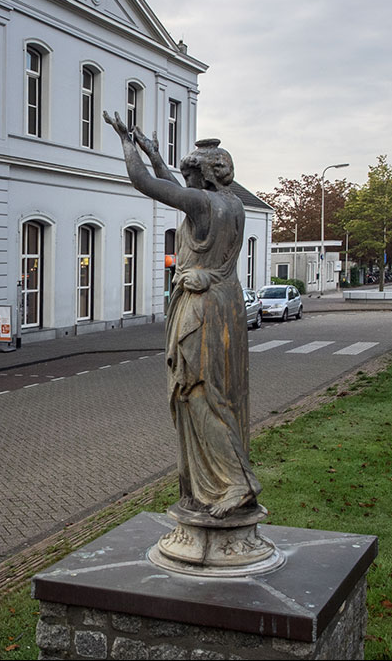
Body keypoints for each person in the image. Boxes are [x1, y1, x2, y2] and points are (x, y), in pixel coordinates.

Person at [105, 112, 260, 519]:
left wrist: (126, 142)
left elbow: (148, 185)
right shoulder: (232, 205)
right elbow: (177, 192)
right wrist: (156, 153)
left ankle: (235, 483)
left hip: (202, 309)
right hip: (226, 305)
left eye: (191, 172)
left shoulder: (205, 204)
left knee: (197, 396)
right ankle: (210, 485)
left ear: (205, 176)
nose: (186, 180)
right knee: (218, 395)